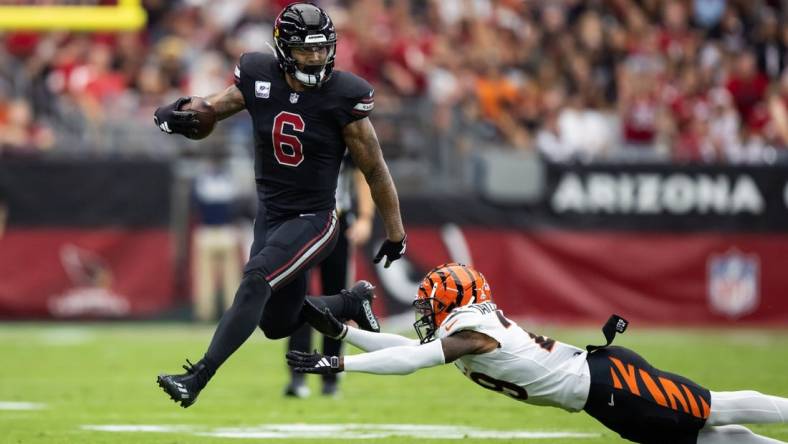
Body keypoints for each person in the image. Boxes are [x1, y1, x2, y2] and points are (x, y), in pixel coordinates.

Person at [153, 3, 407, 408]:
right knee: (275, 322)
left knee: (254, 278)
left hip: (316, 218)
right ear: (283, 49)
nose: (316, 58)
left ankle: (197, 376)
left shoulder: (345, 95)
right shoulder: (258, 76)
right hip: (270, 214)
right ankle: (347, 302)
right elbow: (213, 110)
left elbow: (374, 169)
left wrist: (395, 232)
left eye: (323, 49)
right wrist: (178, 112)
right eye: (306, 50)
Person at [289, 263, 788, 444]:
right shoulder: (467, 326)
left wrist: (340, 362)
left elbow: (414, 359)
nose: (427, 311)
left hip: (612, 382)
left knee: (713, 408)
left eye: (433, 302)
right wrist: (344, 333)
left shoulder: (471, 330)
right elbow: (409, 347)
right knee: (710, 441)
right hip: (602, 403)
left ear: (456, 303)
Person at [284, 159, 375, 398]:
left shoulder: (344, 128)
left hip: (337, 221)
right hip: (301, 220)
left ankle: (330, 376)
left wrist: (365, 217)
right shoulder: (302, 130)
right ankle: (297, 374)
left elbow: (362, 172)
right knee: (297, 297)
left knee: (339, 300)